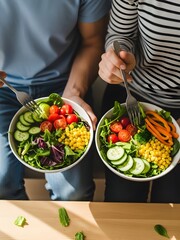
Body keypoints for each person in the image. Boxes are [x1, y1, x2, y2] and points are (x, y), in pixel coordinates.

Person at [0, 0, 111, 200]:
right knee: (1, 181)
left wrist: (73, 94)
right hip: (4, 89)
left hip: (65, 83)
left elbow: (93, 42)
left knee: (73, 192)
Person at [98, 0, 180, 203]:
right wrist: (119, 58)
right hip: (133, 94)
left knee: (171, 200)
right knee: (123, 200)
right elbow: (120, 34)